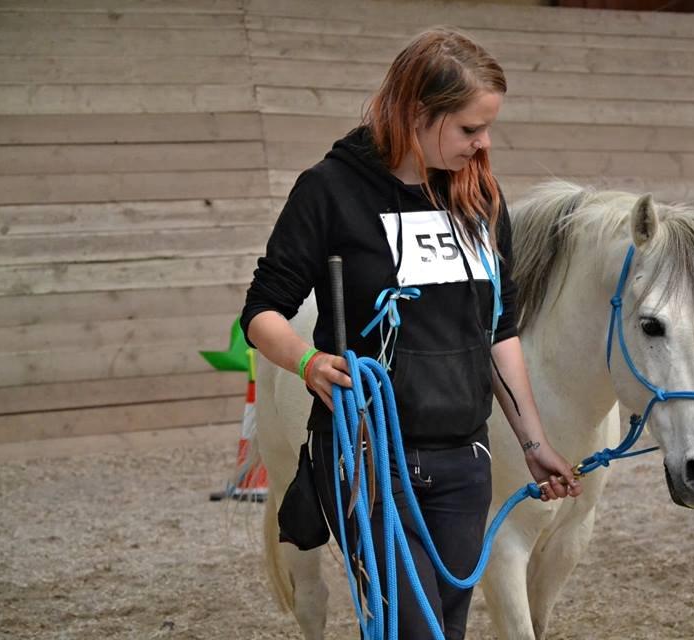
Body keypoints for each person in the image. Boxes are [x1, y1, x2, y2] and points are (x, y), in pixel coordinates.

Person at [240, 27, 582, 639]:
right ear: (418, 114)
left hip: (465, 459)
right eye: (469, 130)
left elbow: (498, 330)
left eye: (487, 129)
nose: (483, 146)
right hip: (370, 459)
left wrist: (533, 442)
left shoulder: (480, 201)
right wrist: (308, 362)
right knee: (410, 628)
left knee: (446, 626)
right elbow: (263, 311)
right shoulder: (329, 191)